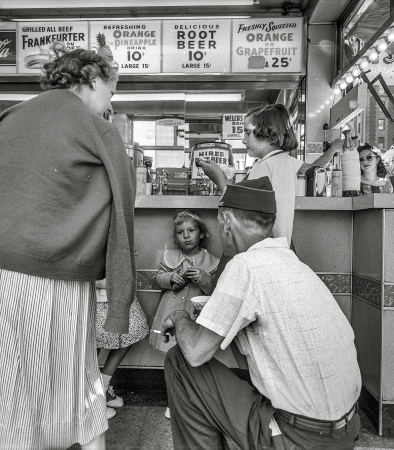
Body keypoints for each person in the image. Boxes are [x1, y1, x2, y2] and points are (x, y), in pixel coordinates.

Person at [0, 44, 136, 450]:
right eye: (112, 91)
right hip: (53, 274)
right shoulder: (96, 128)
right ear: (94, 78)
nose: (110, 102)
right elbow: (122, 215)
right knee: (65, 379)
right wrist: (119, 302)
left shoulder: (9, 118)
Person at [161, 176, 362, 450]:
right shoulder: (294, 264)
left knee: (180, 362)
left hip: (298, 439)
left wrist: (180, 317)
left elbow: (196, 352)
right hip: (344, 431)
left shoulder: (244, 265)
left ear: (227, 223)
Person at [197, 104, 342, 246]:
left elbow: (243, 212)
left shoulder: (264, 166)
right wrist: (334, 148)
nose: (243, 140)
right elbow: (315, 169)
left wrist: (219, 179)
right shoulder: (287, 161)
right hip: (282, 245)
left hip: (262, 246)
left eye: (248, 133)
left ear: (268, 133)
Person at [150, 210, 220, 418]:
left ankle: (193, 400)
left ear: (201, 234)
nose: (186, 235)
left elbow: (214, 289)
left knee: (194, 358)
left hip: (195, 318)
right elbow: (158, 278)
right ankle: (174, 401)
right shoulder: (170, 257)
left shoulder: (211, 260)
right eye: (180, 232)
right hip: (170, 313)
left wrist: (202, 278)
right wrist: (171, 278)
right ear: (176, 237)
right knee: (173, 360)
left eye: (191, 230)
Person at [95, 279, 149, 419]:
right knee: (93, 343)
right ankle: (90, 400)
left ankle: (103, 387)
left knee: (130, 331)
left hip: (119, 294)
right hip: (94, 296)